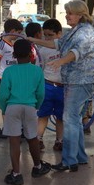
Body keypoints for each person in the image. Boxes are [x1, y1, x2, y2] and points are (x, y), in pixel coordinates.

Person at [28, 0, 94, 170]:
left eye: (70, 13)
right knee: (74, 119)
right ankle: (80, 157)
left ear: (80, 15)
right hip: (76, 81)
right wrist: (32, 40)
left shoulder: (85, 33)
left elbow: (75, 52)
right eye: (66, 13)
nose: (66, 16)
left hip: (80, 81)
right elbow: (57, 44)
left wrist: (60, 61)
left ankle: (69, 161)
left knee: (70, 119)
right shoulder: (76, 31)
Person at [0, 38, 50, 185]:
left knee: (14, 141)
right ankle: (38, 166)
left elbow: (3, 95)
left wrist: (4, 108)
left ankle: (16, 174)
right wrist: (37, 106)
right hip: (30, 107)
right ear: (31, 54)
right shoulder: (37, 71)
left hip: (12, 107)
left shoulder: (8, 71)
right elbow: (41, 94)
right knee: (32, 138)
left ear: (14, 54)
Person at [35, 19, 65, 151]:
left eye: (50, 35)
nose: (47, 38)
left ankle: (60, 141)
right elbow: (38, 70)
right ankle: (38, 139)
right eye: (45, 35)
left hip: (63, 87)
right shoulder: (42, 51)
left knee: (61, 117)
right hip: (47, 86)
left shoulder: (66, 48)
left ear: (59, 34)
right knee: (43, 115)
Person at [0, 18, 23, 138]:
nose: (19, 35)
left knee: (7, 104)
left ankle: (7, 128)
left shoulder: (11, 45)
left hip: (9, 79)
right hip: (2, 79)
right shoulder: (2, 45)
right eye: (18, 33)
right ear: (13, 31)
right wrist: (1, 72)